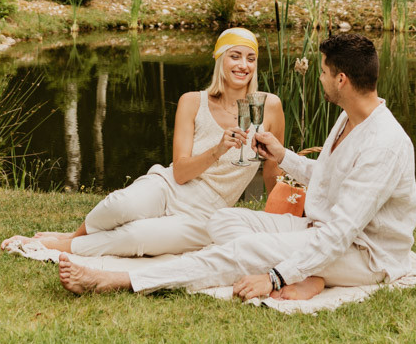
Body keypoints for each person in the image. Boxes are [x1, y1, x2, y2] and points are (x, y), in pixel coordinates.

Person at [57, 32, 416, 301]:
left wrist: (274, 277)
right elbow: (328, 176)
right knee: (223, 221)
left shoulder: (384, 144)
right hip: (316, 229)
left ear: (341, 80)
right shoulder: (350, 117)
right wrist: (281, 155)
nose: (320, 78)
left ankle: (120, 280)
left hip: (362, 253)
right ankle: (306, 271)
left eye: (323, 72)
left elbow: (340, 234)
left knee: (242, 251)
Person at [31, 28, 285, 257]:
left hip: (206, 214)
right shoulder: (192, 102)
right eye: (235, 56)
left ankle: (64, 246)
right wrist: (218, 150)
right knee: (120, 205)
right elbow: (180, 173)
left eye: (251, 58)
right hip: (170, 187)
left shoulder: (269, 106)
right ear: (220, 60)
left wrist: (281, 222)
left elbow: (273, 171)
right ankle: (74, 237)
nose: (243, 65)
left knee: (135, 236)